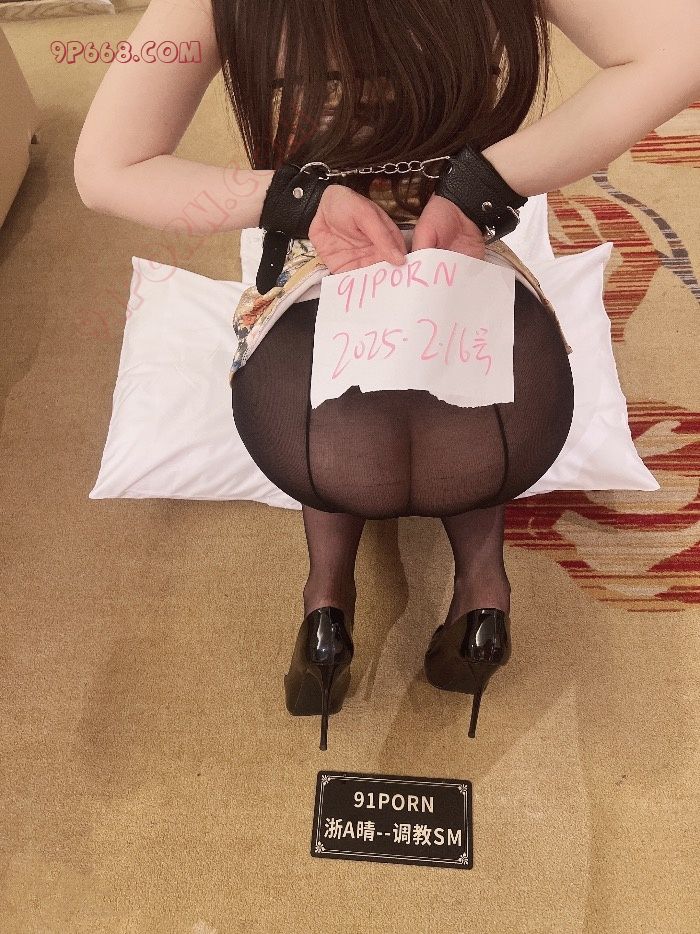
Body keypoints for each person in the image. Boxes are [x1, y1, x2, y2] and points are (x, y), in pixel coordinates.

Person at [74, 0, 700, 751]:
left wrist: (297, 200)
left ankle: (327, 606)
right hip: (500, 383)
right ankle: (484, 596)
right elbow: (684, 48)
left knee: (331, 379)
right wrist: (484, 184)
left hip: (312, 426)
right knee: (468, 370)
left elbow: (106, 171)